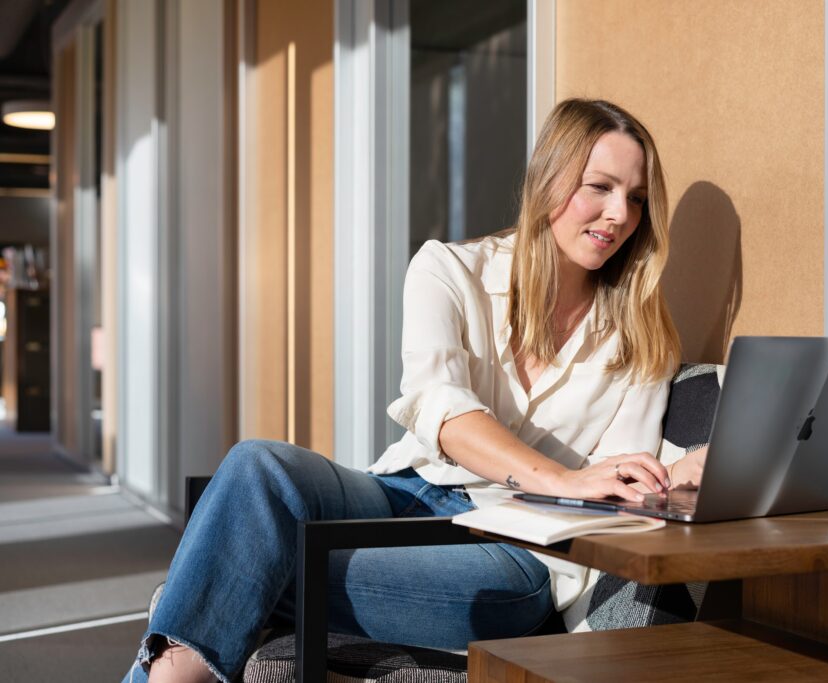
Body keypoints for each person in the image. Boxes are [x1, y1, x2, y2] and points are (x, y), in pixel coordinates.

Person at [124, 98, 707, 683]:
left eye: (635, 199)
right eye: (600, 187)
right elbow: (442, 409)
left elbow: (620, 475)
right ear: (549, 180)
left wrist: (687, 469)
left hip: (514, 551)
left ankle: (195, 608)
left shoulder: (641, 334)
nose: (618, 215)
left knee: (232, 564)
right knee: (258, 466)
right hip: (405, 492)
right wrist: (558, 476)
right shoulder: (449, 271)